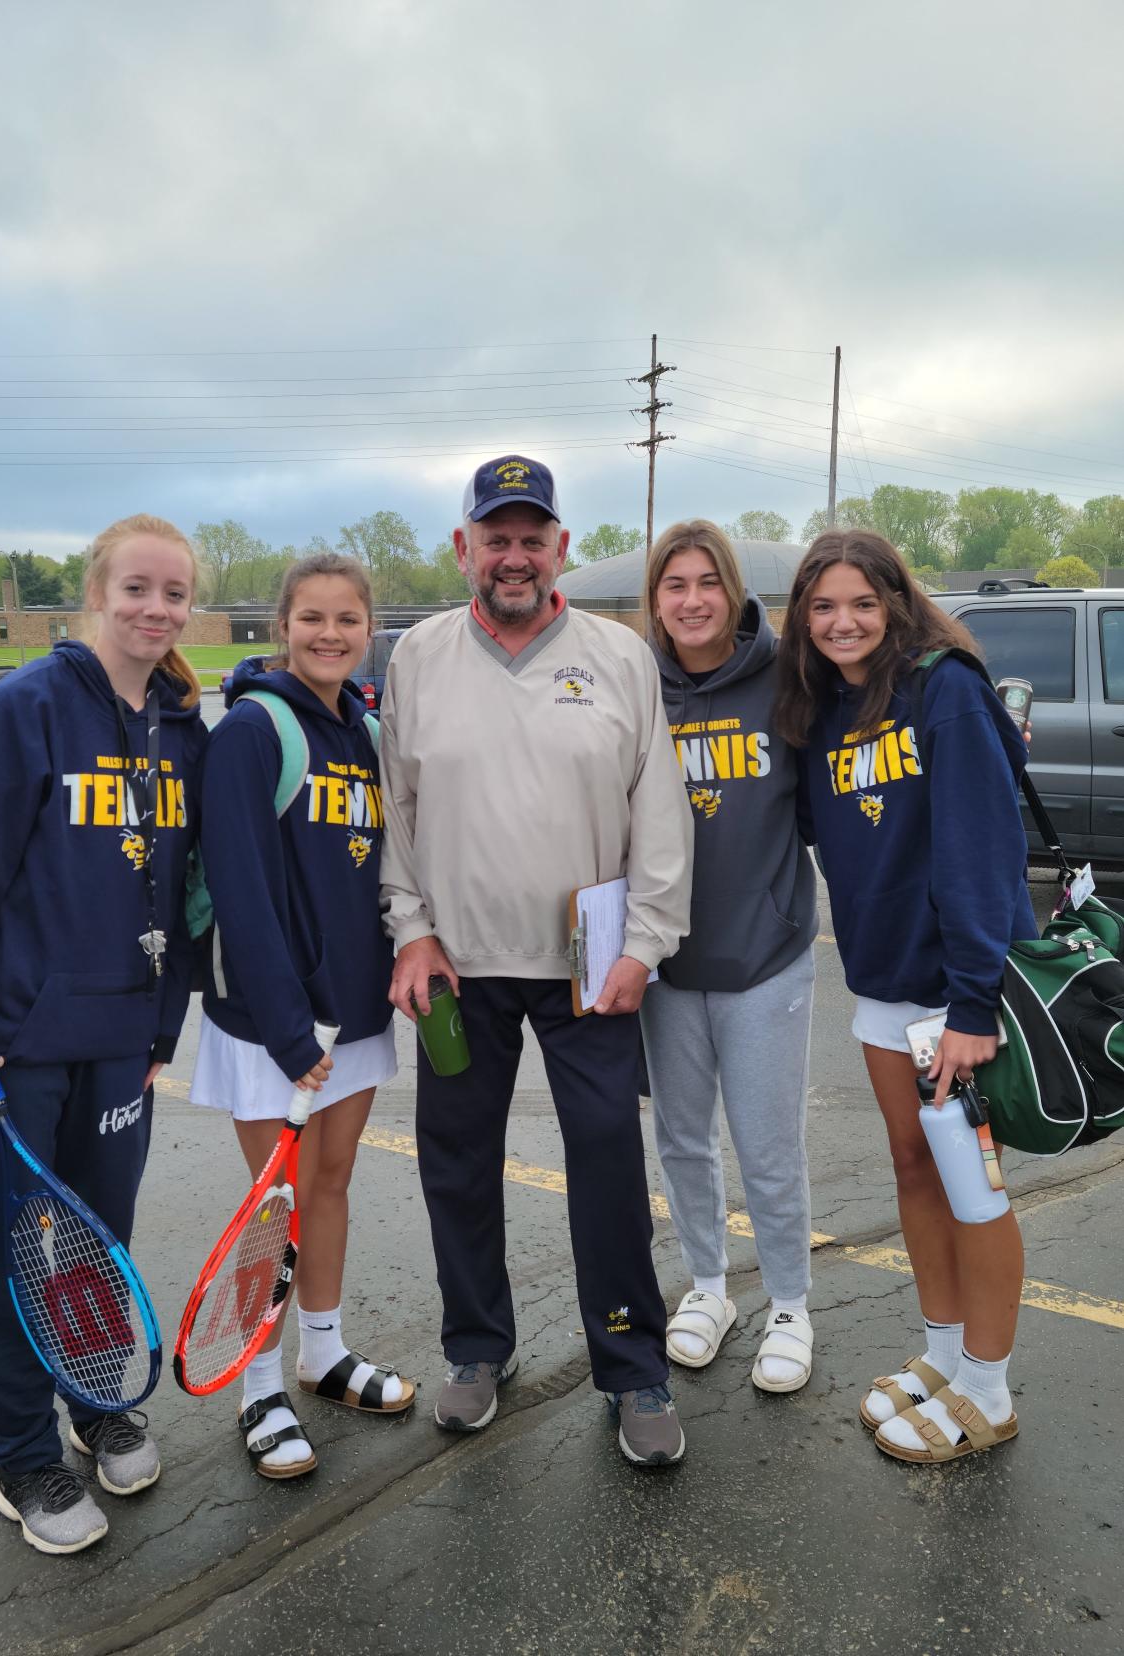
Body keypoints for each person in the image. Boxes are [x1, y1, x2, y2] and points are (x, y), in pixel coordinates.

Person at [380, 454, 693, 1467]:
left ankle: (632, 1363)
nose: (513, 556)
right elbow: (397, 815)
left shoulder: (619, 657)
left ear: (561, 546)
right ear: (464, 547)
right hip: (458, 972)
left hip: (587, 969)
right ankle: (477, 1349)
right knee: (457, 1162)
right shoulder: (418, 659)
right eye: (495, 536)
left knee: (606, 1159)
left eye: (532, 536)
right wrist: (411, 927)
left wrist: (645, 945)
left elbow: (660, 817)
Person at [0, 513, 207, 1554]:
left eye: (174, 594)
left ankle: (94, 1401)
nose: (155, 610)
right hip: (11, 1047)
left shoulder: (181, 728)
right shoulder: (20, 711)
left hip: (121, 1041)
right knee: (3, 1261)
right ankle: (23, 1456)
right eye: (137, 588)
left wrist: (162, 1026)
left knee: (90, 1242)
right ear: (96, 592)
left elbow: (180, 891)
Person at [774, 528, 1031, 1464]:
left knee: (975, 1190)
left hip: (949, 997)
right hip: (881, 985)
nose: (843, 623)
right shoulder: (824, 708)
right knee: (914, 1171)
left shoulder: (944, 689)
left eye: (862, 604)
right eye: (823, 606)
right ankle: (944, 1356)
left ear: (896, 605)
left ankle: (989, 1392)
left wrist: (973, 1005)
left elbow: (981, 851)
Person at [189, 552, 412, 1481]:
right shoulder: (252, 729)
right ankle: (258, 1388)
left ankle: (321, 1352)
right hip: (273, 1026)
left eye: (347, 620)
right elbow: (240, 890)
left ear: (368, 630)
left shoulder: (360, 730)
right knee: (269, 1207)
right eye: (312, 618)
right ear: (283, 626)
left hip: (350, 1019)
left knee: (329, 1186)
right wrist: (285, 1027)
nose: (329, 634)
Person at [638, 521, 818, 1392]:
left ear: (734, 589)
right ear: (656, 600)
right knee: (681, 1141)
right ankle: (708, 1285)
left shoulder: (787, 680)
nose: (693, 599)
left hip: (766, 959)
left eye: (708, 581)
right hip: (667, 967)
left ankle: (790, 1300)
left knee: (768, 1145)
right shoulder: (638, 687)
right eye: (675, 584)